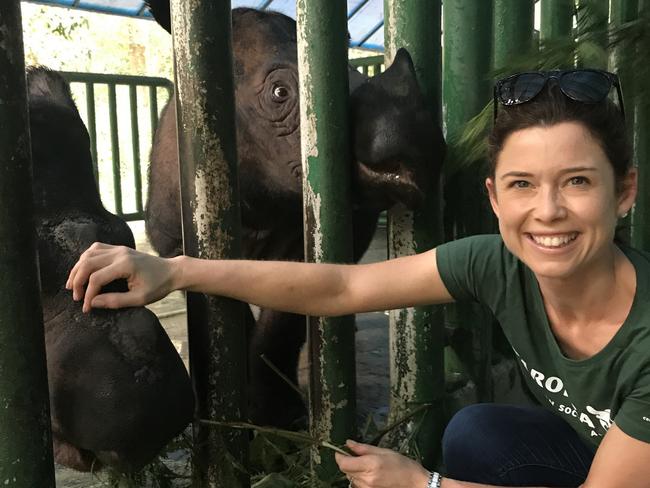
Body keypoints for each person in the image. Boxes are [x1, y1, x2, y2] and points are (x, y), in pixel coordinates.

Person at [66, 69, 650, 488]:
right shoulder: (497, 262)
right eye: (523, 184)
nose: (547, 211)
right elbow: (343, 289)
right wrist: (175, 271)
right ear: (495, 198)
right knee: (476, 432)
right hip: (601, 456)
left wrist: (423, 485)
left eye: (577, 182)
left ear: (624, 191)